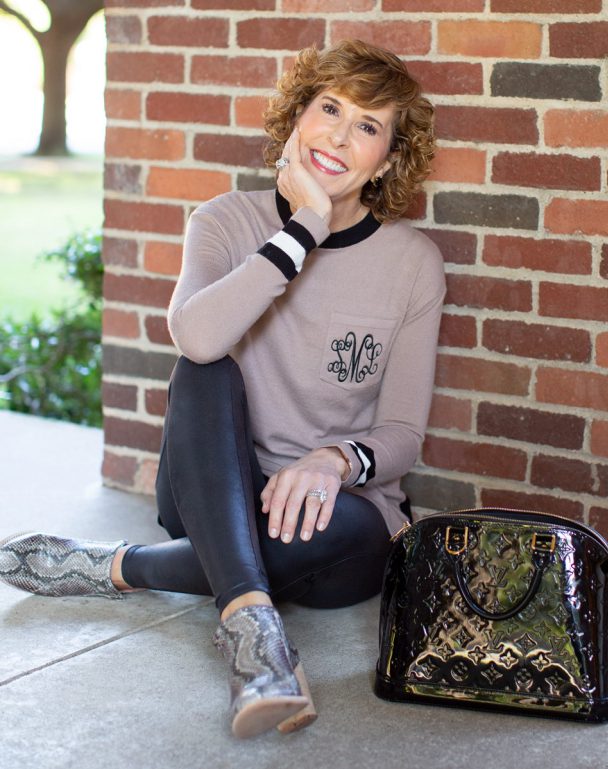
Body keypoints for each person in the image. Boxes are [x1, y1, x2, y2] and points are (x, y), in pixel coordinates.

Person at [0, 40, 445, 739]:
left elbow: (402, 436)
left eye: (367, 125)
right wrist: (302, 230)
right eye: (328, 108)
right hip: (214, 487)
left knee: (351, 532)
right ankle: (253, 627)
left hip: (331, 520)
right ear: (297, 118)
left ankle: (126, 568)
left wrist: (332, 462)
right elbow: (198, 337)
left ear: (387, 159)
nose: (338, 133)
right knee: (204, 363)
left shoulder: (412, 263)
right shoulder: (224, 221)